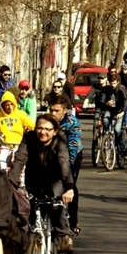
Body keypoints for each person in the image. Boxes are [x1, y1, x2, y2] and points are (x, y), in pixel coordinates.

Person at [10, 114, 76, 253]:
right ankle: (31, 246)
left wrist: (69, 187)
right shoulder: (29, 138)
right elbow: (19, 160)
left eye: (47, 129)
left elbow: (64, 163)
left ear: (55, 131)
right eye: (39, 128)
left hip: (55, 180)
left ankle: (64, 235)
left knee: (55, 206)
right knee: (27, 210)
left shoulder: (60, 140)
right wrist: (10, 184)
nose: (42, 132)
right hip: (34, 179)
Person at [49, 96, 83, 236]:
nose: (52, 114)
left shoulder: (72, 123)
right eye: (51, 110)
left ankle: (73, 221)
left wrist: (67, 168)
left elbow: (73, 147)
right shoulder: (47, 122)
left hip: (71, 155)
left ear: (64, 111)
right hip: (53, 156)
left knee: (70, 185)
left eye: (56, 111)